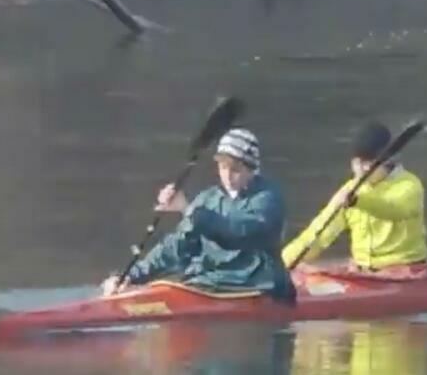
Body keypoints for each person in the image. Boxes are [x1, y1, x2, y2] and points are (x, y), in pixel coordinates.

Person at [101, 128, 296, 302]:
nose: (227, 175)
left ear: (252, 169)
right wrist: (132, 276)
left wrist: (188, 210)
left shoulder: (268, 198)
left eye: (235, 169)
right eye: (223, 167)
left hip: (256, 285)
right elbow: (177, 246)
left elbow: (237, 231)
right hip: (209, 285)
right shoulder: (208, 199)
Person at [281, 120, 427, 271]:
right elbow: (318, 234)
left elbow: (393, 209)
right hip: (363, 272)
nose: (361, 169)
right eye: (357, 163)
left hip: (405, 270)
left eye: (367, 163)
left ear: (389, 162)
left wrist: (358, 201)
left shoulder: (409, 185)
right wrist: (280, 264)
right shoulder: (350, 189)